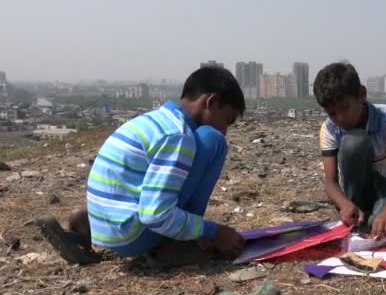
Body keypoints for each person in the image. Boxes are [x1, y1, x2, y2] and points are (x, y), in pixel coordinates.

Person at [36, 66, 246, 265]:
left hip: (108, 219)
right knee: (212, 140)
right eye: (227, 120)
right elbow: (155, 215)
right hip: (131, 236)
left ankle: (88, 226)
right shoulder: (178, 136)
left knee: (207, 139)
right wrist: (212, 231)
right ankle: (179, 240)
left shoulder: (154, 121)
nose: (225, 130)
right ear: (212, 101)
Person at [313, 62, 386, 238]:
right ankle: (357, 210)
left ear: (361, 95)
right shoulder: (329, 128)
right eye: (332, 113)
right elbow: (330, 182)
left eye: (345, 108)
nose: (340, 118)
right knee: (352, 142)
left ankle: (378, 213)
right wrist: (344, 204)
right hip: (357, 190)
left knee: (381, 227)